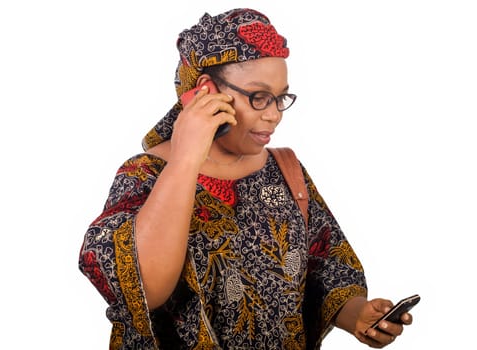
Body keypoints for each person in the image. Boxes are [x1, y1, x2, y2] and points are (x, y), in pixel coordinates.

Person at [78, 8, 414, 349]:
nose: (274, 115)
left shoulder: (285, 169)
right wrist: (185, 159)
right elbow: (143, 289)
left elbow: (325, 265)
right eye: (258, 97)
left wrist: (357, 314)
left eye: (281, 98)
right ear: (206, 91)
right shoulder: (145, 175)